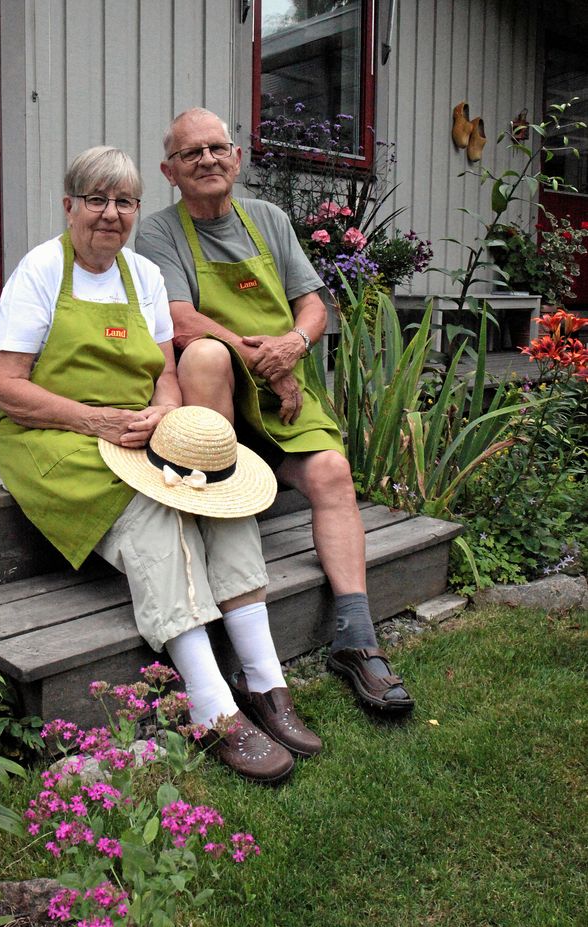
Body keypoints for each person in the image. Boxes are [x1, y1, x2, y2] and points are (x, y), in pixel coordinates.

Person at [0, 145, 321, 784]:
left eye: (125, 202)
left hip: (135, 429)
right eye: (96, 200)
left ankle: (265, 682)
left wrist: (165, 412)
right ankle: (212, 705)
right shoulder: (39, 272)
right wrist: (96, 419)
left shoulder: (142, 275)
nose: (110, 214)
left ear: (137, 209)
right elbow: (3, 384)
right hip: (52, 433)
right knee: (156, 516)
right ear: (69, 207)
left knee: (221, 502)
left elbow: (165, 373)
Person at [136, 109, 414, 713]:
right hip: (224, 393)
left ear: (236, 158)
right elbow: (177, 320)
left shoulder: (268, 219)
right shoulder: (159, 232)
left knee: (333, 474)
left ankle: (356, 638)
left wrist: (294, 345)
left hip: (283, 388)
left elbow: (312, 304)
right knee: (205, 354)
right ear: (170, 171)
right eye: (192, 154)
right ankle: (226, 586)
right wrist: (259, 358)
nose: (208, 160)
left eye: (218, 148)